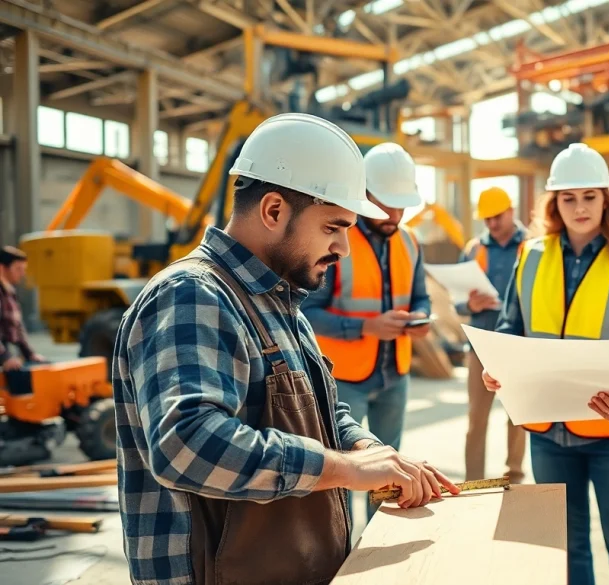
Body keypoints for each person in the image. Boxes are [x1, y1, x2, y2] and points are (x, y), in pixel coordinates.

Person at [112, 114, 459, 585]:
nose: (344, 249)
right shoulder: (193, 295)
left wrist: (372, 453)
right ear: (274, 210)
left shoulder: (282, 299)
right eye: (334, 228)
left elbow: (323, 411)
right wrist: (342, 468)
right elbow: (185, 445)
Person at [481, 143, 609, 585]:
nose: (579, 207)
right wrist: (499, 365)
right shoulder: (530, 256)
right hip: (550, 433)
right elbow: (511, 325)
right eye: (568, 198)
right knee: (566, 551)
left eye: (589, 196)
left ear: (606, 199)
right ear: (555, 203)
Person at [303, 141, 432, 519]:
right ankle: (343, 555)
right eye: (387, 204)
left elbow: (421, 296)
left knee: (389, 478)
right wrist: (366, 327)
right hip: (346, 382)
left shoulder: (409, 241)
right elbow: (308, 313)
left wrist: (420, 320)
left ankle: (377, 547)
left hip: (396, 376)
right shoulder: (335, 243)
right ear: (364, 195)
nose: (395, 214)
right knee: (344, 476)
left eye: (401, 205)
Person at [455, 186, 529, 483]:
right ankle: (473, 481)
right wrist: (468, 304)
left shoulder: (533, 245)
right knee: (477, 419)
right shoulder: (474, 249)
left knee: (518, 416)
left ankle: (514, 476)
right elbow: (457, 299)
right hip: (480, 346)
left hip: (520, 346)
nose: (492, 224)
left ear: (511, 211)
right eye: (487, 219)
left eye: (497, 217)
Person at [0, 245, 45, 374]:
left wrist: (30, 354)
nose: (22, 274)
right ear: (2, 268)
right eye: (18, 269)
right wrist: (5, 358)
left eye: (24, 269)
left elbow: (18, 328)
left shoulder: (11, 293)